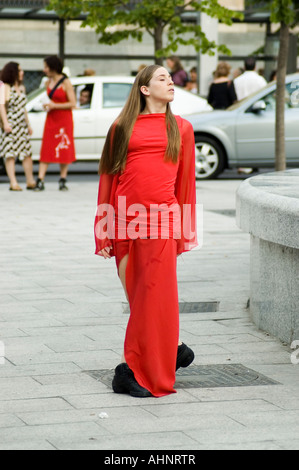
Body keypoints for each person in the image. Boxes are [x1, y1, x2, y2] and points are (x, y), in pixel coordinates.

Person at [94, 65, 198, 398]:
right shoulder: (121, 127)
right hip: (125, 222)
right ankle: (172, 350)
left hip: (162, 223)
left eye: (171, 78)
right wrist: (103, 231)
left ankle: (130, 371)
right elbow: (109, 180)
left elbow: (186, 185)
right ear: (144, 89)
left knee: (155, 299)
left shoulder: (182, 128)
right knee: (140, 301)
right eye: (163, 78)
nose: (171, 83)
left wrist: (183, 231)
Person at [35, 56, 76, 192]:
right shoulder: (47, 82)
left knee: (63, 147)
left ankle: (62, 179)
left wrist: (55, 105)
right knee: (47, 146)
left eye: (46, 67)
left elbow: (73, 103)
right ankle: (40, 179)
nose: (44, 69)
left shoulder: (66, 82)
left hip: (64, 119)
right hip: (51, 117)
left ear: (53, 67)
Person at [0, 62, 35, 191]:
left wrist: (28, 124)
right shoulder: (5, 87)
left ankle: (30, 180)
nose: (22, 73)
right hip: (11, 124)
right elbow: (1, 106)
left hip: (21, 125)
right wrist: (5, 123)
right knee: (10, 154)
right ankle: (13, 182)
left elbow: (23, 109)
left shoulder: (21, 87)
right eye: (19, 70)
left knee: (27, 153)